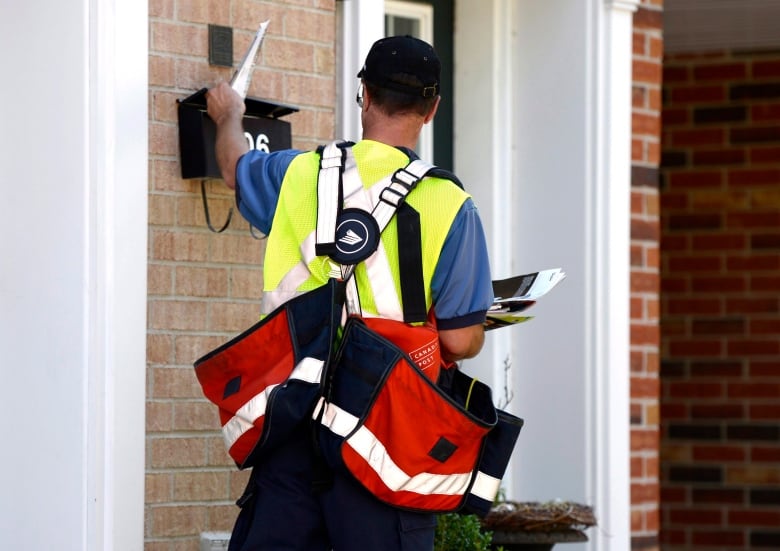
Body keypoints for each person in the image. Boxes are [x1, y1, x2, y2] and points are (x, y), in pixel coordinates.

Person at [205, 35, 494, 551]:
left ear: (364, 94)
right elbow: (458, 341)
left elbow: (232, 165)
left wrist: (229, 113)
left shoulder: (298, 174)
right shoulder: (451, 205)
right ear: (432, 110)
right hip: (386, 438)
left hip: (290, 418)